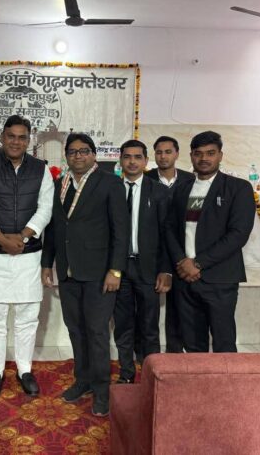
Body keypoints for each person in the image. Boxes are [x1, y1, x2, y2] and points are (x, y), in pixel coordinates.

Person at [41, 133, 128, 417]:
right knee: (76, 329)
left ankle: (102, 389)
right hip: (68, 271)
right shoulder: (60, 184)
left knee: (97, 331)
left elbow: (121, 230)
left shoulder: (110, 183)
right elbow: (54, 228)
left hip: (99, 272)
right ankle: (83, 380)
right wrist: (47, 263)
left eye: (84, 151)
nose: (78, 156)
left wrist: (115, 270)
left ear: (93, 154)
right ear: (66, 156)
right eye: (72, 152)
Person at [0, 115, 53, 398]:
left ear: (29, 140)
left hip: (28, 254)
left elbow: (45, 209)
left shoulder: (41, 169)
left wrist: (23, 236)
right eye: (11, 136)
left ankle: (24, 370)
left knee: (27, 317)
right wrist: (2, 240)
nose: (16, 142)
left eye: (22, 137)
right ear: (2, 137)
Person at [164, 131, 255, 353]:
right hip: (185, 277)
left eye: (210, 153)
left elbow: (238, 234)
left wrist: (198, 263)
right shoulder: (183, 188)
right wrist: (182, 262)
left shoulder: (238, 188)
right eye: (198, 153)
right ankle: (198, 378)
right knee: (193, 343)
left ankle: (226, 378)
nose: (204, 158)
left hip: (219, 278)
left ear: (220, 155)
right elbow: (171, 228)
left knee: (224, 342)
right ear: (191, 156)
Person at [113, 140, 172, 384]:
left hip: (148, 268)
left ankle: (151, 376)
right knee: (123, 324)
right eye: (127, 157)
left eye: (138, 157)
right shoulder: (112, 189)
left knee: (149, 325)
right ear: (120, 160)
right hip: (118, 268)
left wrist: (166, 270)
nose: (132, 162)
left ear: (146, 161)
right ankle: (126, 373)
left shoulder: (159, 191)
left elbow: (168, 234)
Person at [146, 135, 193, 352]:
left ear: (177, 154)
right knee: (147, 311)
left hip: (181, 251)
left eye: (168, 152)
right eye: (159, 152)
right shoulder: (145, 179)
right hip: (152, 250)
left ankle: (175, 352)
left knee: (179, 308)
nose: (163, 156)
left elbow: (193, 216)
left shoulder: (190, 180)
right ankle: (147, 355)